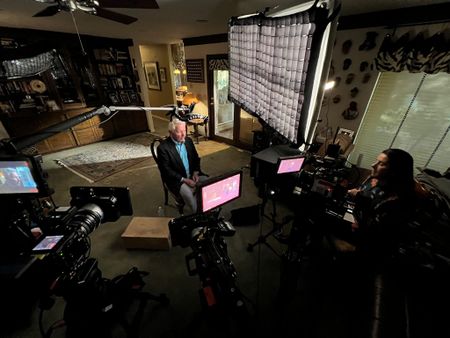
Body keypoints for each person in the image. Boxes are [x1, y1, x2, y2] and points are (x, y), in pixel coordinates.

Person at [157, 118, 207, 214]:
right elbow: (166, 170)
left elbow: (196, 158)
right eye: (179, 132)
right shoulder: (163, 148)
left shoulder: (188, 141)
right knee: (189, 195)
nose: (184, 134)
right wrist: (185, 180)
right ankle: (198, 215)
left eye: (184, 130)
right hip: (177, 179)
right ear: (171, 132)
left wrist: (196, 172)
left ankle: (205, 208)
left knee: (210, 183)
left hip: (192, 174)